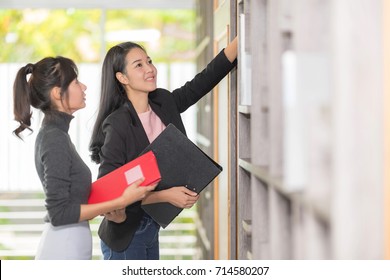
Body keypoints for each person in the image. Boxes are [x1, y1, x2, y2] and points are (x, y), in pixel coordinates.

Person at [89, 36, 238, 260]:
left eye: (149, 61)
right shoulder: (118, 123)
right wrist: (166, 196)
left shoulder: (163, 102)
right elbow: (109, 193)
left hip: (151, 227)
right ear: (122, 78)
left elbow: (203, 81)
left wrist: (241, 38)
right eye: (139, 65)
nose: (150, 69)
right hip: (126, 237)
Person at [12, 56, 156, 260]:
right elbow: (59, 213)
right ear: (57, 93)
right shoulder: (54, 138)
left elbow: (73, 198)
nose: (84, 87)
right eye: (76, 82)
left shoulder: (57, 134)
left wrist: (117, 196)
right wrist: (123, 199)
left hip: (70, 245)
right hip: (63, 249)